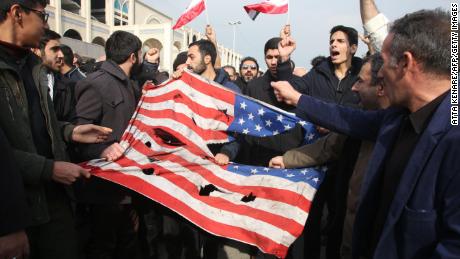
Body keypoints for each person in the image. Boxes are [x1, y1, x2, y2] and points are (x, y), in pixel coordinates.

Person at [272, 9, 458, 259]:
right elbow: (347, 118)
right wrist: (297, 98)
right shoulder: (398, 118)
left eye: (384, 60)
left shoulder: (453, 139)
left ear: (405, 62)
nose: (379, 74)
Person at [0, 1, 112, 258]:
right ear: (17, 14)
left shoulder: (33, 66)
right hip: (16, 211)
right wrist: (47, 169)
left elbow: (30, 126)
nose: (47, 24)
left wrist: (69, 132)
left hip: (53, 205)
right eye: (43, 15)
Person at [74, 30, 144, 259]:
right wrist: (101, 149)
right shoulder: (96, 83)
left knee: (127, 245)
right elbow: (77, 132)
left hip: (126, 186)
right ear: (133, 57)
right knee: (103, 248)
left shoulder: (129, 84)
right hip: (102, 190)